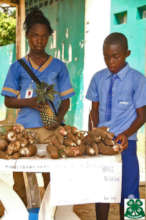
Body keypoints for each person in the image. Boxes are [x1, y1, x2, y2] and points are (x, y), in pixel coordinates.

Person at [1, 8, 75, 206]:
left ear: (49, 38)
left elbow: (66, 101)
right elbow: (8, 100)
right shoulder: (17, 67)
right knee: (22, 179)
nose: (39, 41)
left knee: (53, 175)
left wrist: (57, 121)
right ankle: (25, 212)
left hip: (50, 130)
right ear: (27, 36)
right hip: (24, 130)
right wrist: (30, 103)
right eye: (35, 36)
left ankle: (52, 211)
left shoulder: (59, 66)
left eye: (44, 37)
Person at [86, 32, 146, 220]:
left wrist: (126, 134)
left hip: (126, 144)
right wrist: (92, 134)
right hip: (102, 145)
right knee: (101, 192)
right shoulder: (98, 78)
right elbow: (93, 111)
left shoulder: (138, 79)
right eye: (106, 56)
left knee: (129, 192)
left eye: (115, 56)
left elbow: (142, 115)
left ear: (127, 53)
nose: (110, 61)